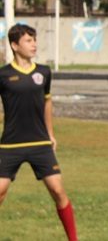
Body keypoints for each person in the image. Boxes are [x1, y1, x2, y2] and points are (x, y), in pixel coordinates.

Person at [0, 24, 78, 240]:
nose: (34, 44)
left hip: (39, 143)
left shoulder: (44, 72)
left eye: (34, 40)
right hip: (10, 145)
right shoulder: (3, 74)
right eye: (28, 40)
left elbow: (47, 103)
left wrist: (50, 134)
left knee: (58, 191)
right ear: (15, 45)